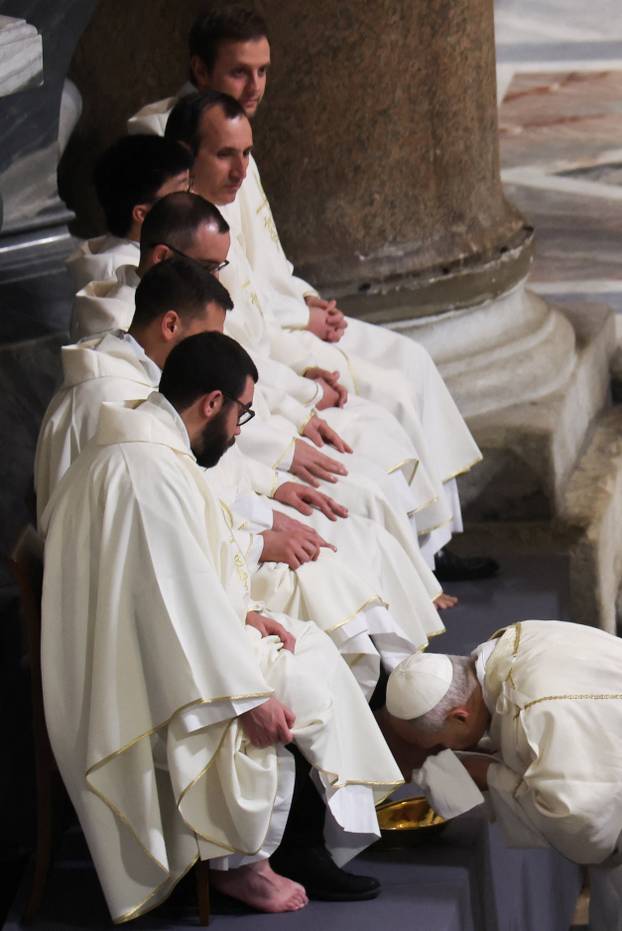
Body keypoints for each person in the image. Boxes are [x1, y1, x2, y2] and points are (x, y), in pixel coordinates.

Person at [40, 330, 405, 921]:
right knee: (299, 685)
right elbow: (170, 597)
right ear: (213, 403)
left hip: (138, 643)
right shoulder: (147, 467)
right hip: (128, 681)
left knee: (304, 644)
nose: (239, 432)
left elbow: (176, 574)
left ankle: (292, 848)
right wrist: (245, 697)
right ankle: (246, 864)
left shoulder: (148, 443)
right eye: (243, 414)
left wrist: (244, 612)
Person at [128, 6, 497, 584]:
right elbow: (229, 295)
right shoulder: (177, 141)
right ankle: (421, 561)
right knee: (388, 398)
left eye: (264, 71)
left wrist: (307, 303)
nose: (254, 88)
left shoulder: (230, 133)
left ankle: (431, 546)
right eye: (239, 72)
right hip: (262, 337)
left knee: (414, 364)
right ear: (200, 70)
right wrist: (296, 379)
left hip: (272, 317)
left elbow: (262, 260)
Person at [37, 256, 445, 693]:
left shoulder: (142, 379)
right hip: (134, 602)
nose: (214, 350)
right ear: (171, 325)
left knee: (341, 543)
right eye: (209, 336)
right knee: (319, 574)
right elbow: (143, 538)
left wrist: (265, 511)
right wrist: (258, 541)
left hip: (198, 550)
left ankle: (409, 691)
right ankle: (394, 699)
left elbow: (189, 498)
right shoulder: (107, 398)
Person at [72, 191, 457, 614]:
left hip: (237, 495)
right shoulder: (121, 385)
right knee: (340, 541)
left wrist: (283, 450)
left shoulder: (170, 328)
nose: (217, 278)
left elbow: (228, 394)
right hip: (212, 545)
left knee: (358, 505)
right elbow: (176, 499)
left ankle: (415, 603)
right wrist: (263, 521)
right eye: (209, 267)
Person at [383, 619, 622, 931]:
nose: (446, 751)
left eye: (441, 744)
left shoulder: (533, 713)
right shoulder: (513, 643)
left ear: (459, 715)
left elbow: (582, 823)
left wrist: (491, 776)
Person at [66, 134, 192, 293]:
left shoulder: (156, 247)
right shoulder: (118, 276)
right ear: (142, 214)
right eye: (182, 192)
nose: (193, 200)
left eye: (189, 185)